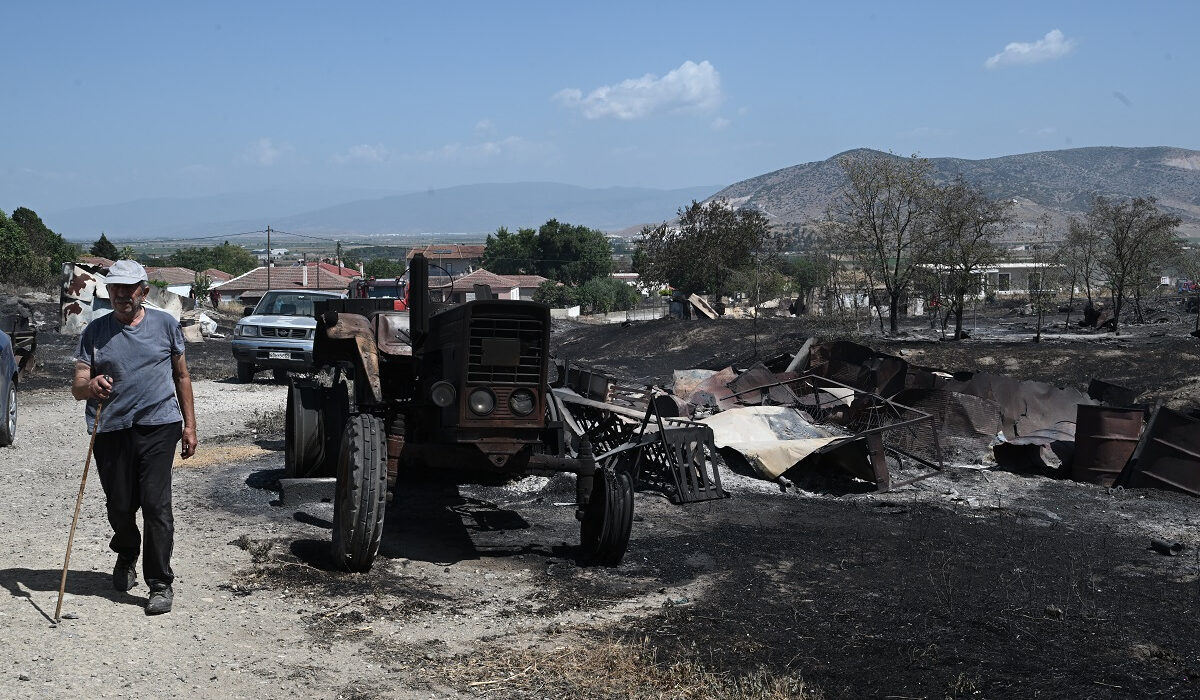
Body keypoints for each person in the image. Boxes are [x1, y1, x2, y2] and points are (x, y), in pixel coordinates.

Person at [71, 260, 198, 615]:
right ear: (108, 291)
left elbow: (182, 376)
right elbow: (78, 386)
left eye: (129, 288)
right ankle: (127, 551)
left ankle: (160, 582)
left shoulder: (166, 325)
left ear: (143, 290)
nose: (122, 295)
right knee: (120, 505)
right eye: (116, 289)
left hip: (159, 426)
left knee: (157, 505)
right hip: (111, 428)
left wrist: (189, 425)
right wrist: (90, 385)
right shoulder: (94, 332)